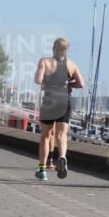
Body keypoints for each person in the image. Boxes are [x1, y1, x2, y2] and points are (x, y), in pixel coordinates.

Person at [33, 38, 84, 181]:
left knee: (46, 135)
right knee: (61, 135)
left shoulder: (45, 62)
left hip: (50, 101)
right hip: (65, 100)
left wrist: (48, 82)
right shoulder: (72, 64)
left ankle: (42, 170)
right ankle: (62, 157)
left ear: (54, 48)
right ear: (66, 50)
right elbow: (81, 83)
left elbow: (38, 80)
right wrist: (68, 84)